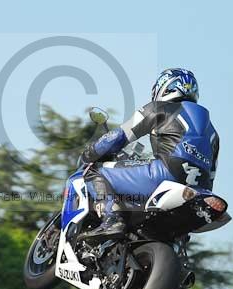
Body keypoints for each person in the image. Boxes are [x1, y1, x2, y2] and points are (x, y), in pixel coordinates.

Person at [78, 68, 219, 243]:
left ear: (164, 87)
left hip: (163, 174)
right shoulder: (212, 132)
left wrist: (90, 153)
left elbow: (118, 137)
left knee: (95, 171)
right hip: (198, 189)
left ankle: (112, 220)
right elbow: (211, 176)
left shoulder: (160, 108)